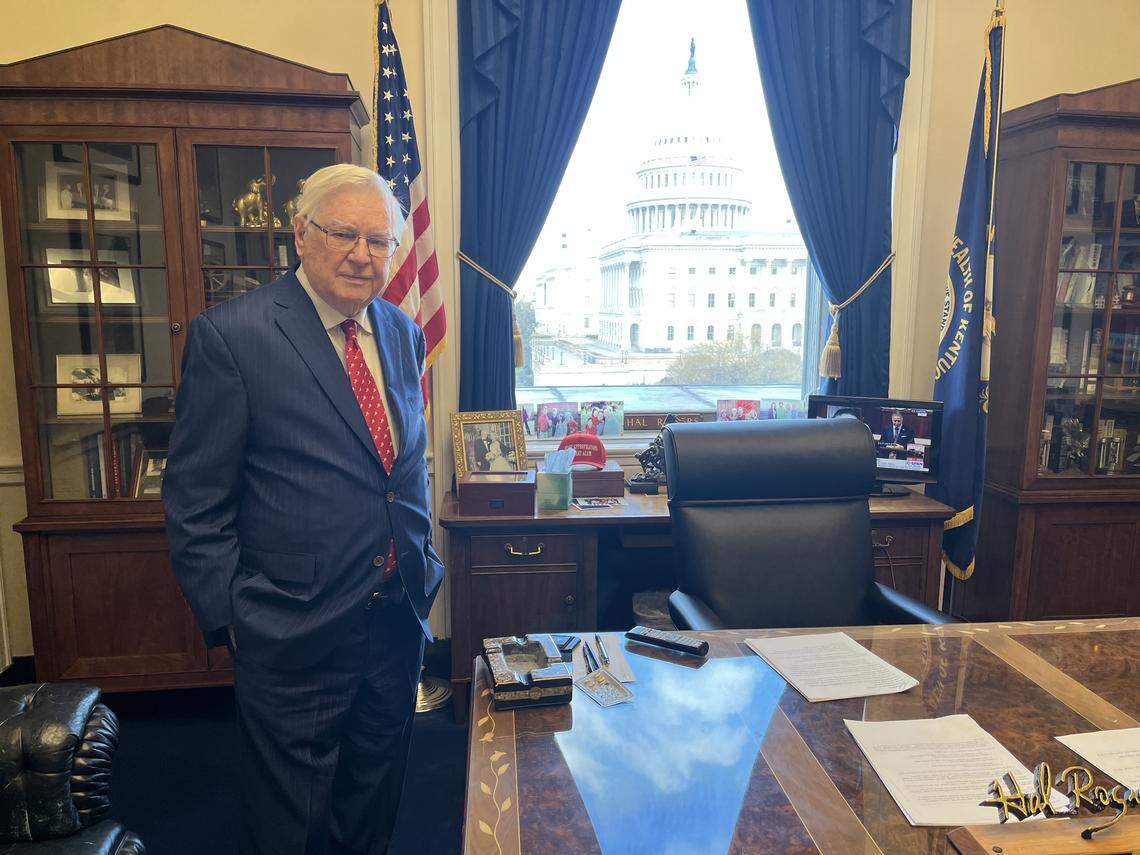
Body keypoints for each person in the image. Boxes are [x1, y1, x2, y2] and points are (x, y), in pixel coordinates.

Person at [164, 163, 443, 855]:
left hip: (393, 617)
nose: (362, 254)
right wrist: (237, 618)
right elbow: (195, 502)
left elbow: (402, 470)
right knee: (290, 821)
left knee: (374, 798)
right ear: (300, 234)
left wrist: (424, 564)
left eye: (378, 240)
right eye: (343, 233)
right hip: (290, 629)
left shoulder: (403, 336)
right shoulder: (233, 337)